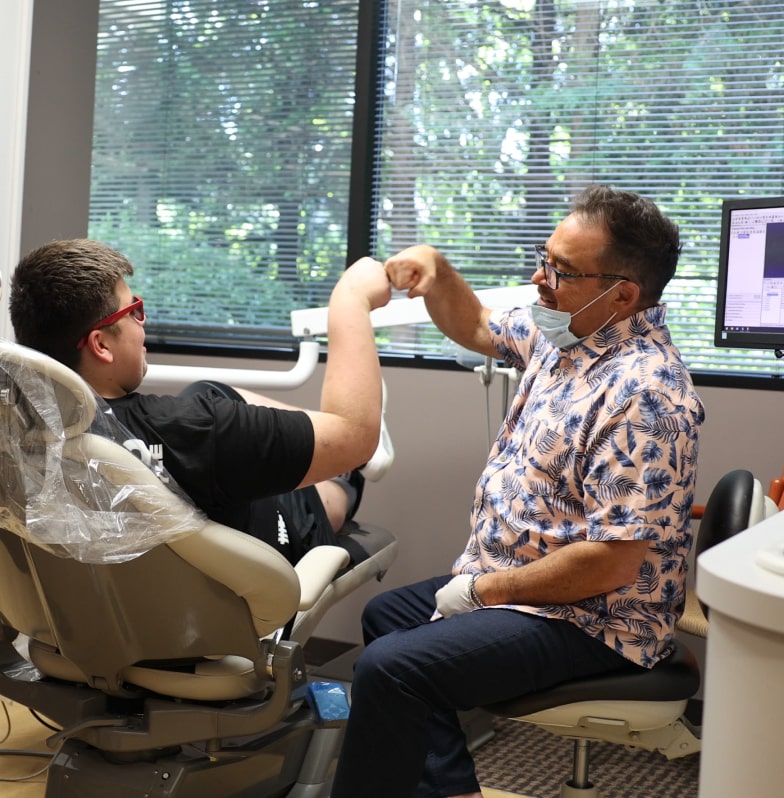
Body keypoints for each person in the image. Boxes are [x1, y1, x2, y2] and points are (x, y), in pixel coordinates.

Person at [330, 184, 705, 798]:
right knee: (386, 616)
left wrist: (480, 590)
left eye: (561, 270)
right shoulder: (570, 336)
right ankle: (451, 790)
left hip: (596, 619)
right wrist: (438, 270)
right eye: (544, 256)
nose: (539, 278)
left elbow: (611, 563)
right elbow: (477, 325)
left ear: (624, 295)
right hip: (535, 587)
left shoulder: (645, 394)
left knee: (393, 668)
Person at [9, 238, 391, 564]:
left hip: (107, 611)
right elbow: (356, 433)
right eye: (133, 312)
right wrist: (351, 298)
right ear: (101, 345)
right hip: (264, 542)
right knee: (337, 472)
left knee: (209, 391)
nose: (143, 323)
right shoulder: (197, 428)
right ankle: (347, 474)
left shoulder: (18, 434)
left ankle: (316, 434)